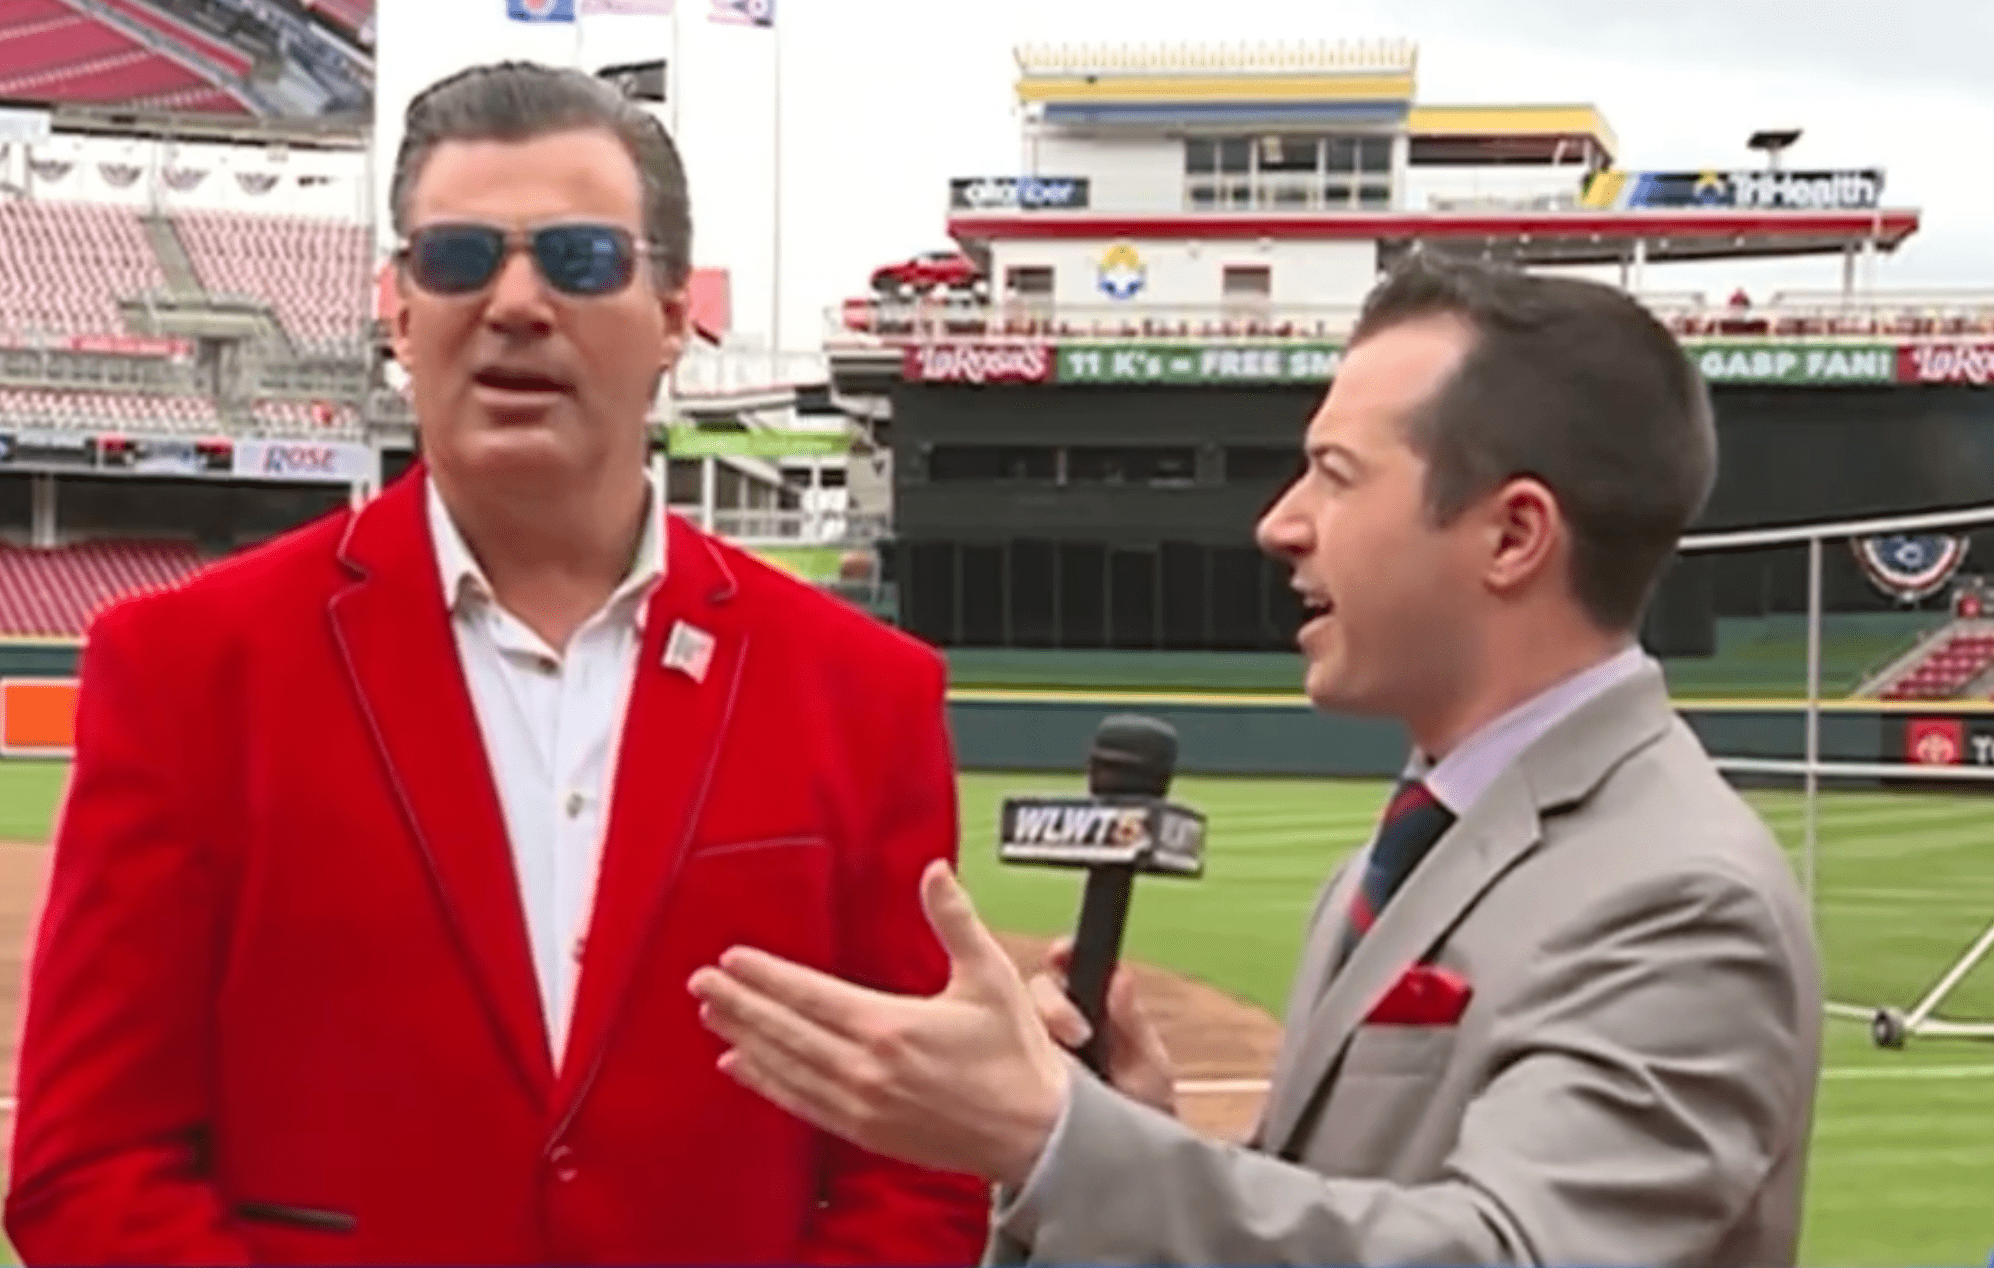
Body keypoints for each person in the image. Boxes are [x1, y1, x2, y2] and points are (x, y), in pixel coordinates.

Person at [3, 60, 990, 1265]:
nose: (515, 302)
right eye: (460, 258)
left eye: (580, 260)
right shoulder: (188, 668)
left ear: (676, 315)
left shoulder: (864, 694)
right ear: (401, 312)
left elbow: (916, 1173)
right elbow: (91, 1162)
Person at [688, 253, 1824, 1267]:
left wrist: (1057, 1139)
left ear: (1513, 535)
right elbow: (1367, 1200)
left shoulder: (1680, 894)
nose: (1281, 523)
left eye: (1335, 473)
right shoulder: (1411, 848)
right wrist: (1144, 1134)